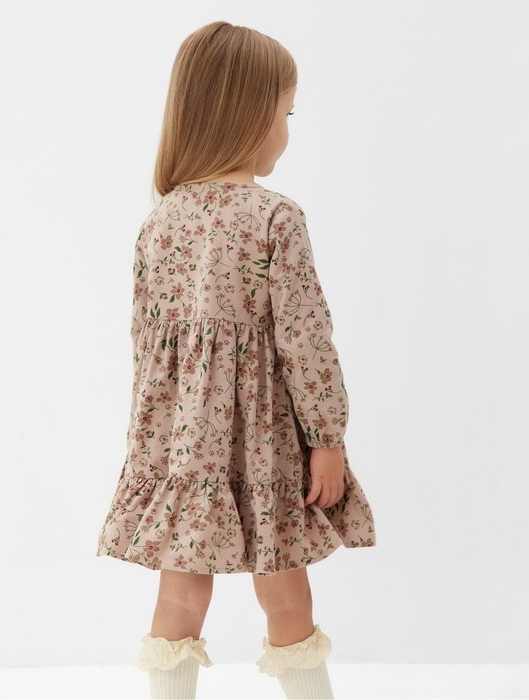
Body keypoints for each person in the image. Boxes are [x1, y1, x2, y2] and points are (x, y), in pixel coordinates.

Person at [96, 20, 376, 700]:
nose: (287, 130)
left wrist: (149, 445)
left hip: (183, 448)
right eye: (287, 114)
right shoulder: (275, 217)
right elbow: (306, 338)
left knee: (178, 598)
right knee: (287, 598)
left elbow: (146, 348)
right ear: (250, 114)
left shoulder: (161, 220)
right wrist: (327, 438)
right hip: (267, 443)